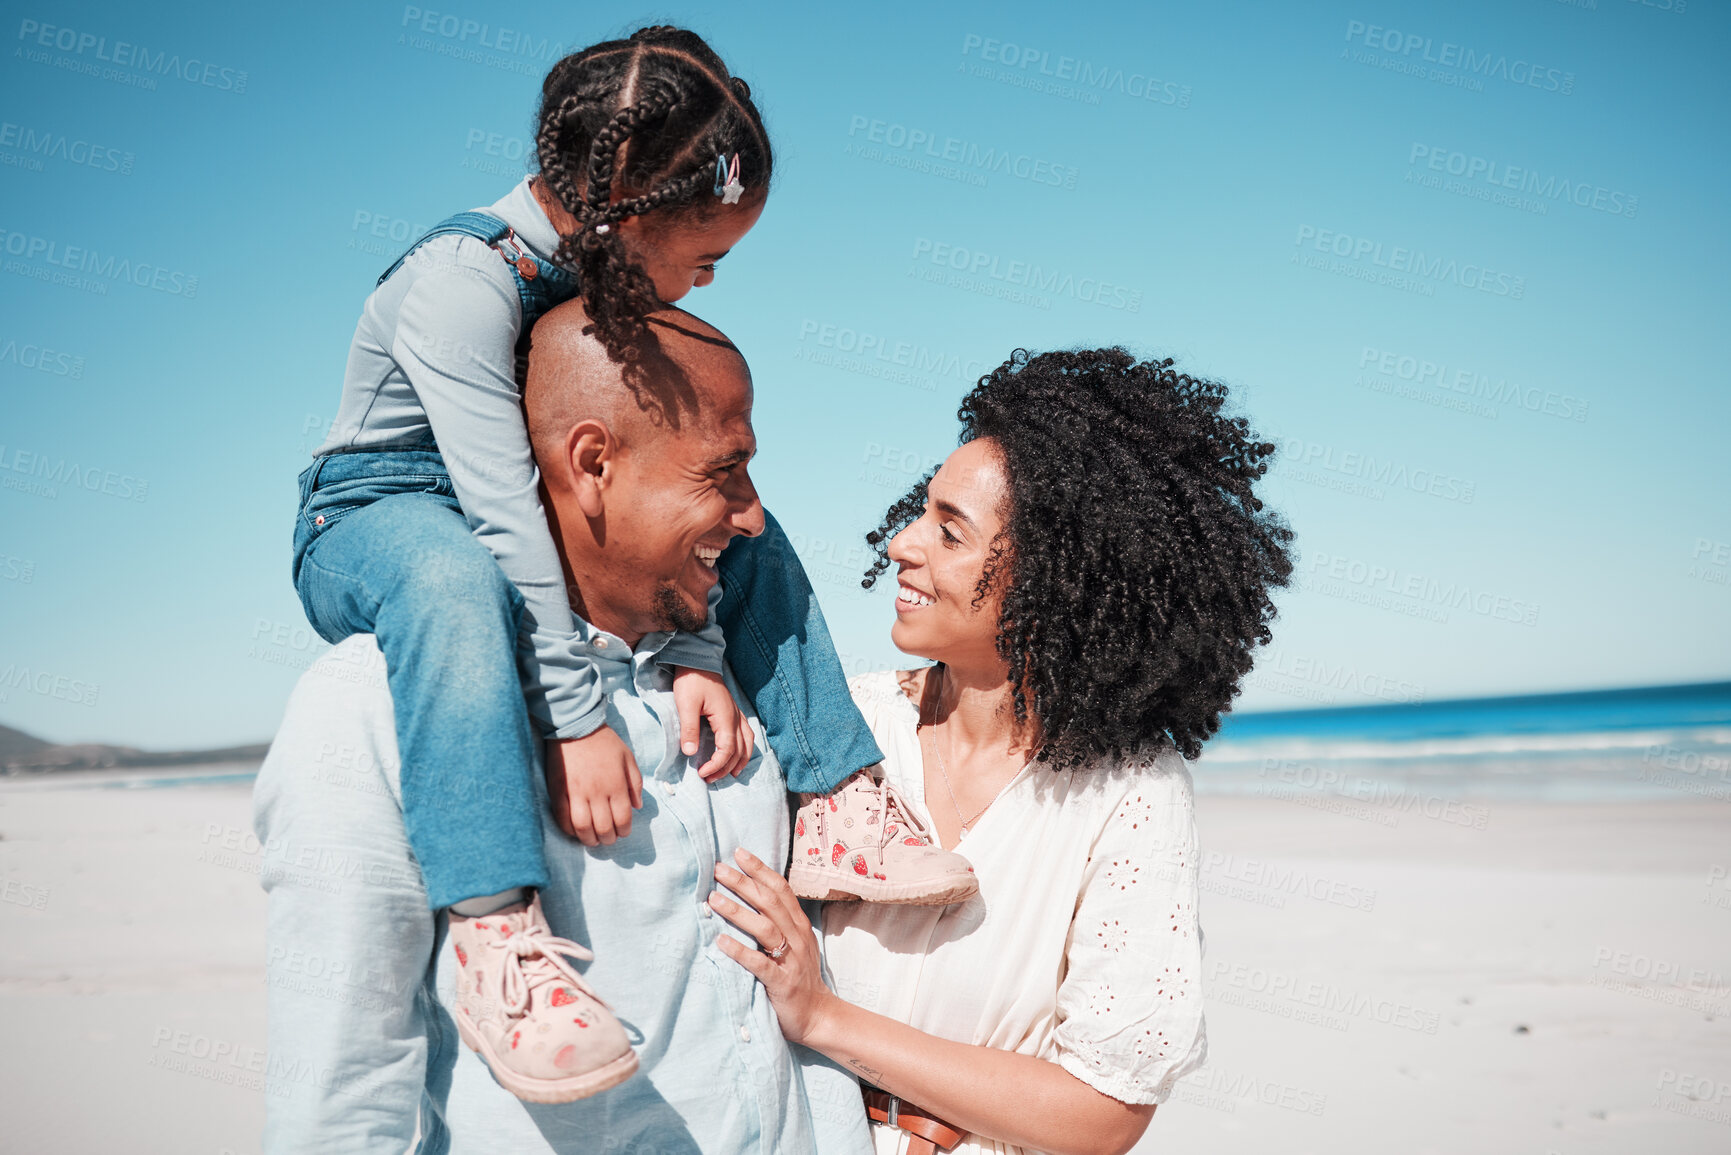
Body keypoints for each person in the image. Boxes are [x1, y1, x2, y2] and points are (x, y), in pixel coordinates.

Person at [285, 25, 973, 1107]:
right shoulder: (462, 282)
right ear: (636, 212)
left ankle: (837, 795)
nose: (705, 281)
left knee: (730, 497)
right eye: (708, 254)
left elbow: (651, 491)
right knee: (456, 580)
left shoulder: (589, 278)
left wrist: (697, 646)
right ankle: (497, 931)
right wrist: (573, 718)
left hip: (503, 508)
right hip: (380, 512)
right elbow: (509, 514)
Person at [254, 300, 877, 1153]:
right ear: (592, 463)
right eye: (722, 471)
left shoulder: (749, 675)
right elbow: (341, 1082)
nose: (753, 515)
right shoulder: (372, 702)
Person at [708, 348, 1295, 1155]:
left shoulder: (1128, 791)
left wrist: (825, 1017)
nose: (901, 544)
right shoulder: (845, 725)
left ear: (1053, 578)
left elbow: (1099, 1112)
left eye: (949, 530)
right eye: (921, 511)